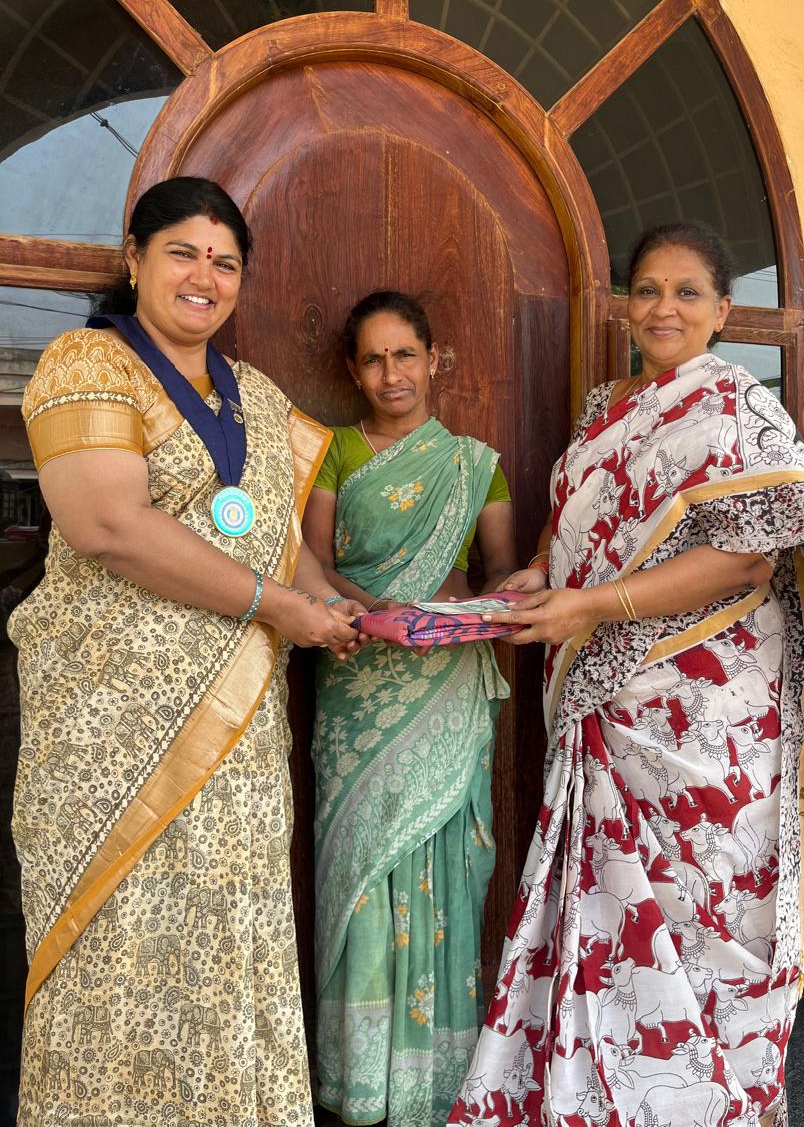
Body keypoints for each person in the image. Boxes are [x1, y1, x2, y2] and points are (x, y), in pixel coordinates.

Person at [448, 221, 804, 1127]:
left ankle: (723, 1101)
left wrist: (591, 606)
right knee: (619, 916)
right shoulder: (605, 410)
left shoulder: (740, 411)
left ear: (723, 310)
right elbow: (576, 520)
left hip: (711, 713)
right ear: (625, 305)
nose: (664, 308)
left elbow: (747, 560)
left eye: (687, 292)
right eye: (647, 290)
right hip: (612, 708)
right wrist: (538, 572)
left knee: (713, 910)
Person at [9, 176, 363, 1127]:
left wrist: (345, 609)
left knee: (229, 941)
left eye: (225, 261)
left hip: (235, 744)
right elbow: (109, 525)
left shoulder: (257, 396)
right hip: (110, 737)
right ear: (135, 259)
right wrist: (281, 607)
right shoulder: (88, 364)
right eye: (182, 253)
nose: (204, 276)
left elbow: (286, 549)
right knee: (120, 951)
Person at [303, 291, 517, 1126]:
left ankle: (433, 1079)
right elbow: (311, 563)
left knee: (445, 864)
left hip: (447, 679)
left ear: (434, 360)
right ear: (353, 369)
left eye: (405, 355)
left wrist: (474, 610)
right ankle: (361, 1079)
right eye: (373, 358)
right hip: (356, 673)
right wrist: (375, 614)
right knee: (361, 867)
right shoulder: (333, 452)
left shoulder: (474, 464)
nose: (391, 373)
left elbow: (500, 575)